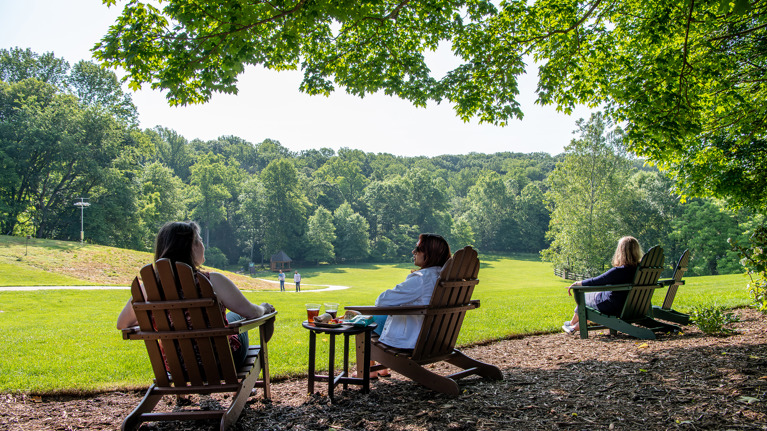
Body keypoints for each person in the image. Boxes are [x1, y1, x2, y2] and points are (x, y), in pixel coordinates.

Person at [116, 221, 276, 368]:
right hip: (221, 363)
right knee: (241, 316)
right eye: (199, 240)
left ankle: (182, 394)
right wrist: (264, 308)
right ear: (190, 247)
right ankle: (242, 386)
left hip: (176, 366)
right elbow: (251, 313)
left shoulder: (147, 290)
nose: (203, 246)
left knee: (233, 316)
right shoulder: (213, 281)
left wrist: (160, 324)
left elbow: (122, 324)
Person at [364, 233, 451, 377]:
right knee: (375, 318)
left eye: (418, 248)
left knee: (365, 321)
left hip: (415, 337)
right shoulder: (442, 277)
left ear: (429, 253)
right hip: (436, 338)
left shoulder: (421, 279)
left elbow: (382, 301)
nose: (413, 252)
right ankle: (382, 369)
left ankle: (366, 372)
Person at [562, 236, 643, 334]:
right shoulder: (641, 271)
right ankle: (573, 326)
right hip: (633, 306)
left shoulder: (618, 271)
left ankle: (573, 325)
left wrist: (577, 283)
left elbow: (596, 281)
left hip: (612, 306)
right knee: (591, 299)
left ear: (620, 251)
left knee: (584, 297)